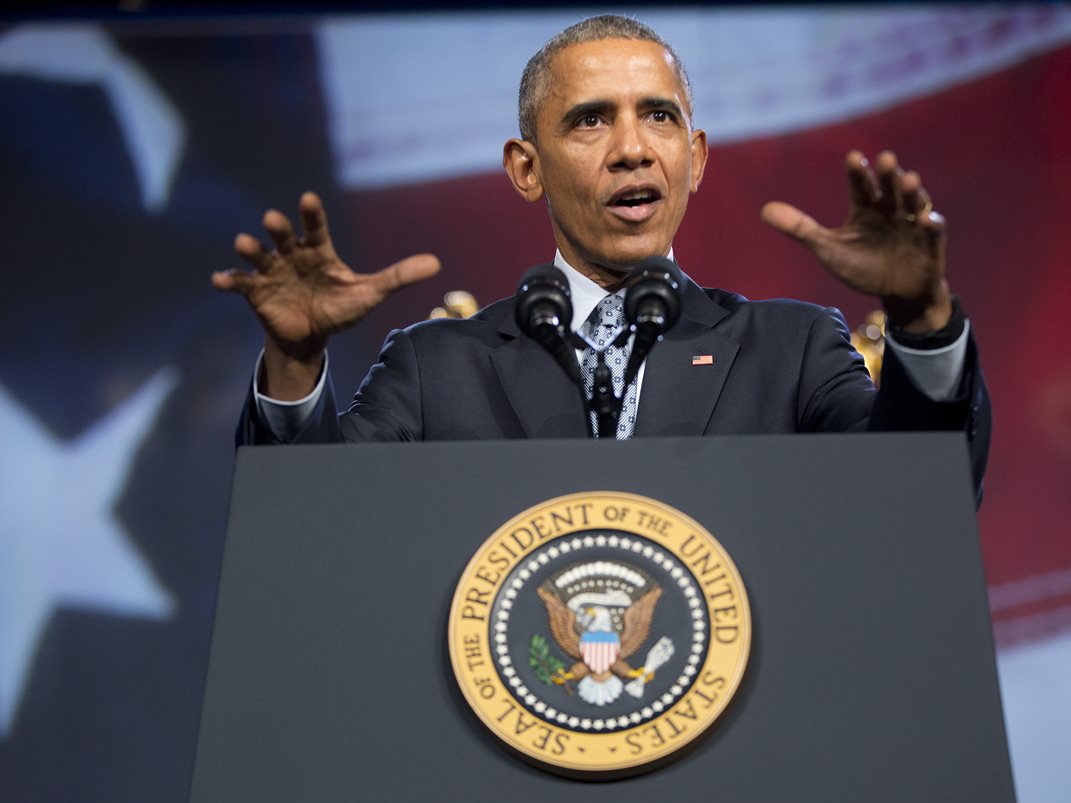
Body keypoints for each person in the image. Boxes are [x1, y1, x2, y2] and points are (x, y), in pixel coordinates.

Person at [212, 15, 989, 494]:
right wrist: (293, 361)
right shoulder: (436, 369)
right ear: (526, 168)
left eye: (658, 117)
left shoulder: (791, 350)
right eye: (590, 121)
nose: (631, 150)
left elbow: (918, 497)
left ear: (696, 156)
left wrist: (922, 321)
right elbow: (313, 534)